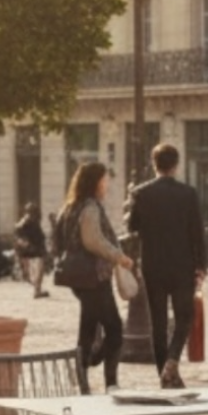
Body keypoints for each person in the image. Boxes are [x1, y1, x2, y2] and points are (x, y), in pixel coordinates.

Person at [126, 142, 208, 387]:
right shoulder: (188, 193)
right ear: (176, 165)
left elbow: (132, 228)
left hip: (153, 266)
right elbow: (197, 232)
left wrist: (132, 205)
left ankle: (164, 374)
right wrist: (201, 265)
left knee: (158, 323)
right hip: (182, 265)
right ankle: (172, 361)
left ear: (154, 164)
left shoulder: (141, 193)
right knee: (185, 316)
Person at [55, 162, 132, 390]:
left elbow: (58, 242)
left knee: (88, 326)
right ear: (95, 181)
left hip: (79, 277)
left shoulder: (70, 207)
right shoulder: (90, 207)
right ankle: (109, 380)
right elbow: (93, 241)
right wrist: (119, 257)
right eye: (104, 179)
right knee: (115, 328)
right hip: (93, 276)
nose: (107, 184)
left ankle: (83, 378)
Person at [13, 201, 49, 298]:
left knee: (35, 271)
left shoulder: (26, 221)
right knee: (38, 270)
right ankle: (37, 290)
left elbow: (18, 234)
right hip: (34, 250)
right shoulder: (29, 221)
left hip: (31, 250)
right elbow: (20, 235)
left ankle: (37, 289)